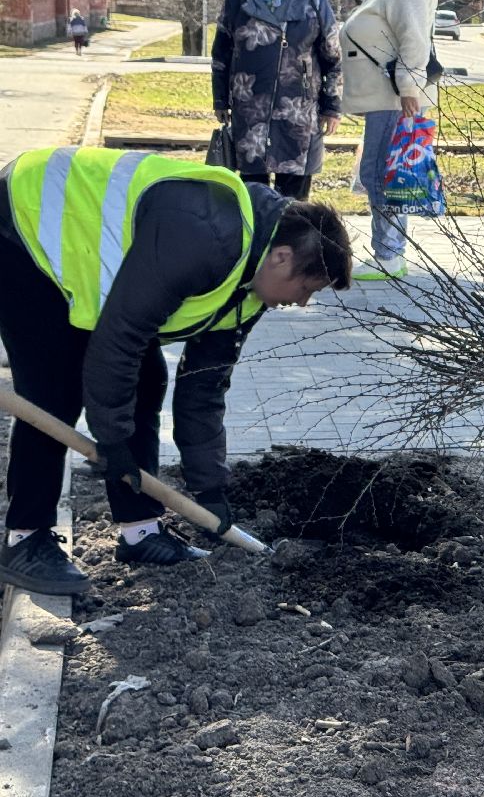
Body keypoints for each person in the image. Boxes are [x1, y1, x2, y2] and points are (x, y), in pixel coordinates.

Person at [0, 146, 353, 596]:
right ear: (283, 257)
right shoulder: (206, 235)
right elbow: (120, 339)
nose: (302, 303)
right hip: (25, 222)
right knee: (54, 387)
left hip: (86, 257)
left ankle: (140, 532)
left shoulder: (253, 284)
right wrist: (112, 440)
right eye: (307, 288)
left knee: (149, 380)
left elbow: (202, 388)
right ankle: (26, 538)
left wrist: (209, 491)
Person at [212, 0, 342, 201]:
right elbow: (222, 51)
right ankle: (256, 245)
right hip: (250, 115)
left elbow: (332, 58)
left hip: (298, 117)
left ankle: (288, 246)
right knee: (251, 200)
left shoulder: (315, 2)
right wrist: (220, 99)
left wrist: (331, 106)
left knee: (293, 209)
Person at [340, 0, 438, 280]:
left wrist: (410, 88)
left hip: (395, 99)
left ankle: (389, 255)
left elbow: (414, 39)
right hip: (386, 98)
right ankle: (389, 252)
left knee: (382, 173)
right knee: (383, 171)